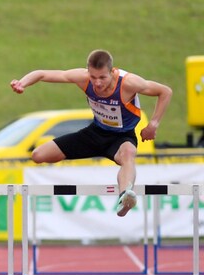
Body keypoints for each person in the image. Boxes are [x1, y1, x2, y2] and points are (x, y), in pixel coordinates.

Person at [10, 49, 172, 217]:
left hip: (122, 137)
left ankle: (124, 197)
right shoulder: (83, 78)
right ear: (88, 72)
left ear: (112, 71)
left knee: (128, 154)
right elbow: (42, 74)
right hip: (95, 133)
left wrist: (153, 124)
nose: (98, 83)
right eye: (93, 77)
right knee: (38, 155)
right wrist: (22, 83)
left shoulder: (129, 83)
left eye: (103, 77)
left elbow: (165, 91)